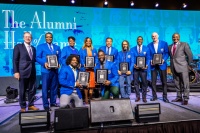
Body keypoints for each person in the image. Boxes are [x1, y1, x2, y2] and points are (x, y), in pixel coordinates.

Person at [13, 32, 39, 112]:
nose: (28, 38)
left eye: (29, 37)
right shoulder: (18, 47)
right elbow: (15, 60)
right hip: (22, 72)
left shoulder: (33, 48)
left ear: (31, 38)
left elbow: (34, 60)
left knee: (32, 89)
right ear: (23, 38)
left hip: (32, 72)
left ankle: (31, 105)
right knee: (22, 90)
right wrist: (16, 71)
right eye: (26, 37)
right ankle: (23, 106)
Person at [36, 32, 61, 111]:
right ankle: (46, 104)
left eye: (50, 37)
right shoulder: (41, 47)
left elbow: (59, 57)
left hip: (55, 70)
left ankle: (53, 102)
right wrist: (44, 63)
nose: (49, 38)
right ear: (45, 38)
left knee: (54, 87)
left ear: (52, 38)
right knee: (45, 88)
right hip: (46, 71)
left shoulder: (57, 47)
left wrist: (59, 63)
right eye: (47, 37)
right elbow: (37, 57)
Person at [169, 33, 193, 105]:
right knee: (177, 83)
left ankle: (186, 98)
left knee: (185, 84)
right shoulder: (170, 46)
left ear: (179, 37)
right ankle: (179, 97)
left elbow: (190, 55)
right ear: (172, 38)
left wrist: (189, 64)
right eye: (173, 37)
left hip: (183, 67)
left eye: (176, 37)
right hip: (174, 67)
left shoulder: (184, 44)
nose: (175, 38)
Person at [148, 32, 169, 102]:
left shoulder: (164, 43)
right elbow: (149, 55)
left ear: (158, 36)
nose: (154, 37)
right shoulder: (149, 45)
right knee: (153, 82)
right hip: (153, 66)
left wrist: (163, 59)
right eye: (153, 36)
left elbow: (166, 53)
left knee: (164, 82)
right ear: (152, 37)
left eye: (155, 36)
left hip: (162, 65)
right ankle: (154, 96)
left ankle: (165, 97)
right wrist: (151, 60)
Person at [131, 36, 150, 103]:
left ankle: (144, 97)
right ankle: (137, 96)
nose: (139, 40)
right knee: (136, 83)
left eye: (141, 39)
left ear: (142, 40)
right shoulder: (132, 49)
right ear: (136, 40)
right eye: (138, 39)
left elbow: (148, 58)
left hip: (143, 69)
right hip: (136, 69)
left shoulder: (146, 48)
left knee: (144, 83)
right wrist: (134, 65)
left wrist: (146, 65)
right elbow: (132, 59)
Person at [79, 37, 97, 104]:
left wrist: (95, 63)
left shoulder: (94, 50)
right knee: (86, 85)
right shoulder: (82, 50)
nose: (88, 42)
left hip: (92, 70)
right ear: (85, 42)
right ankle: (86, 97)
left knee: (92, 84)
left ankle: (91, 97)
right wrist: (84, 64)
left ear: (91, 42)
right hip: (85, 69)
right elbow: (80, 58)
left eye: (89, 41)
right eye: (87, 41)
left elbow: (97, 58)